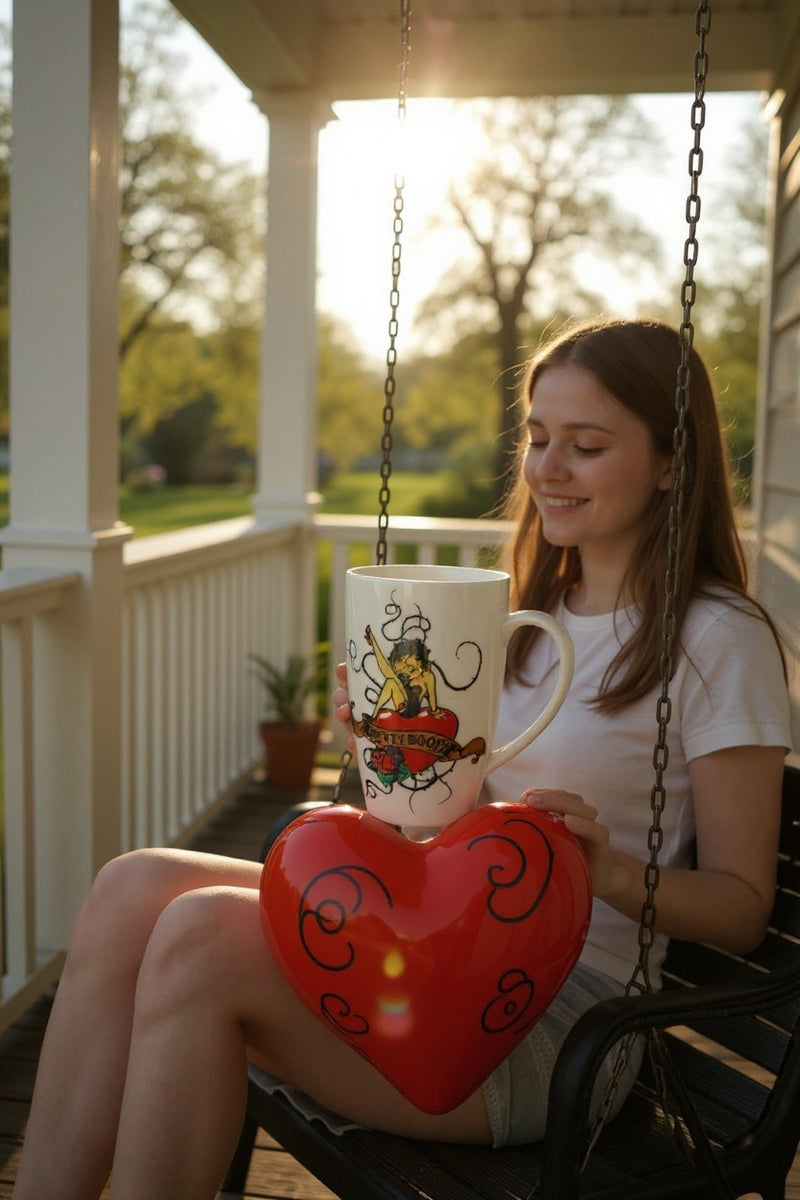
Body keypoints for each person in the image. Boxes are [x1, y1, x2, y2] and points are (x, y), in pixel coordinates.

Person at [12, 318, 791, 1199]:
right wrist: (382, 753)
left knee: (198, 940)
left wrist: (609, 874)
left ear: (671, 462)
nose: (548, 469)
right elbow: (449, 839)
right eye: (537, 439)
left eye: (588, 445)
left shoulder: (717, 639)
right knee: (132, 887)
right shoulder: (531, 619)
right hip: (435, 953)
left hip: (568, 1021)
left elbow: (743, 910)